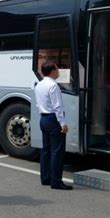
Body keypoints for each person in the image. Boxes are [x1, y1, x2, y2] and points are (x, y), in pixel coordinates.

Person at [34, 61, 72, 190]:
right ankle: (56, 181)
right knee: (57, 152)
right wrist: (63, 123)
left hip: (43, 119)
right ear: (52, 71)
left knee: (46, 150)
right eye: (57, 69)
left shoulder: (39, 84)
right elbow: (58, 106)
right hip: (53, 119)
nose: (59, 71)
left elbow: (38, 104)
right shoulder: (53, 86)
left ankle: (45, 178)